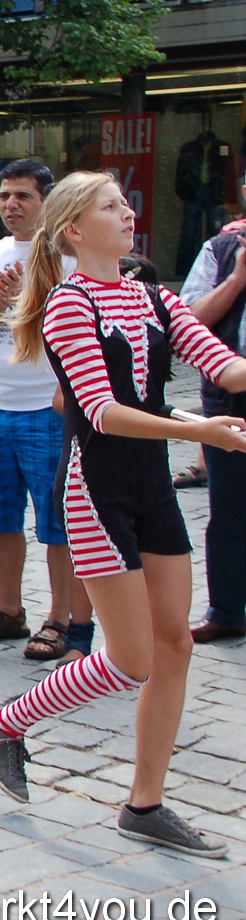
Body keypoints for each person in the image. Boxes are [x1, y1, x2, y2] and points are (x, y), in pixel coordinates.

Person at [0, 171, 246, 857]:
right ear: (74, 229)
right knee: (129, 660)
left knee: (176, 644)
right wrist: (202, 434)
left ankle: (145, 802)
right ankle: (9, 720)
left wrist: (205, 419)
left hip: (151, 491)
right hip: (96, 491)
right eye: (112, 206)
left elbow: (229, 370)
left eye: (127, 203)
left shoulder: (154, 297)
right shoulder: (68, 303)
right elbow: (102, 413)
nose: (129, 213)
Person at [0, 160, 88, 661]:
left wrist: (29, 296)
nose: (11, 205)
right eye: (5, 195)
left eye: (23, 197)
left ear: (46, 202)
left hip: (49, 408)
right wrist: (1, 301)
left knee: (57, 521)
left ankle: (60, 618)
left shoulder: (68, 256)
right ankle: (9, 610)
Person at [180, 183, 246, 642]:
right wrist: (238, 278)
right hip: (231, 402)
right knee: (228, 511)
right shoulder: (221, 247)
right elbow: (189, 321)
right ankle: (226, 610)